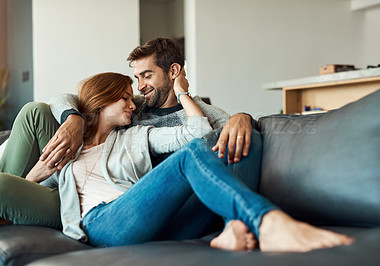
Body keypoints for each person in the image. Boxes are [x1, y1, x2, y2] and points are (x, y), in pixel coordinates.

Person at [23, 70, 353, 252]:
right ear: (100, 101)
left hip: (151, 223)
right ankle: (268, 222)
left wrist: (185, 93)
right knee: (189, 159)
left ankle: (231, 230)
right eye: (124, 97)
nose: (132, 103)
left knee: (242, 137)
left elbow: (197, 133)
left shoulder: (138, 136)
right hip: (102, 224)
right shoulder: (70, 146)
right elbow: (38, 181)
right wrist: (68, 127)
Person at [0, 37, 261, 239]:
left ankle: (240, 224)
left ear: (173, 71)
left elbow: (216, 129)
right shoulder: (136, 104)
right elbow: (77, 97)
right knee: (35, 111)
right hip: (89, 182)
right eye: (137, 78)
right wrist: (73, 118)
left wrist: (243, 116)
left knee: (220, 148)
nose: (139, 88)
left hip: (150, 199)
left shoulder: (195, 111)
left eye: (147, 76)